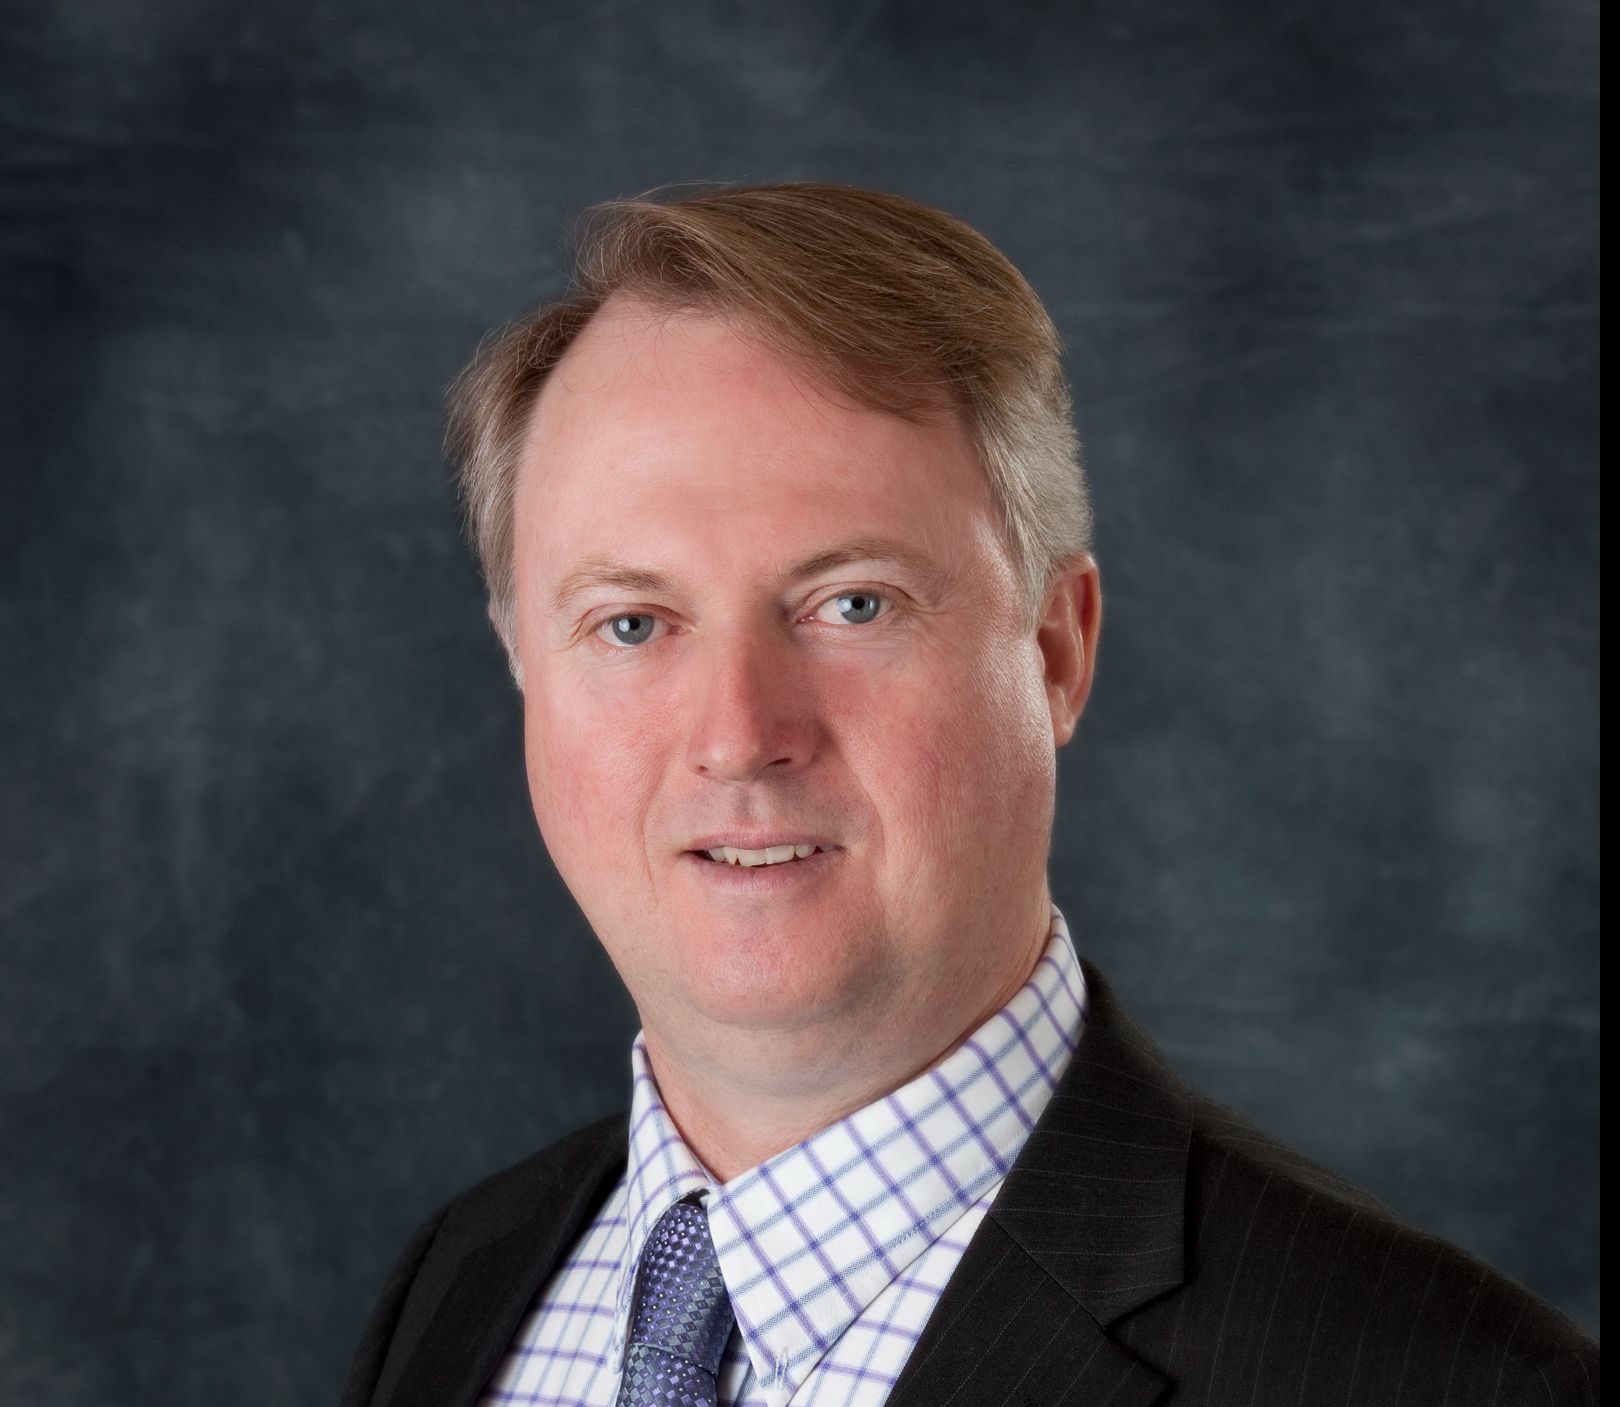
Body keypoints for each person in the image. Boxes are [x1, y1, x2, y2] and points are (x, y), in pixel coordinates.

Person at [340, 183, 1597, 1407]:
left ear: (1055, 650)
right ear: (522, 667)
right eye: (629, 623)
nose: (737, 738)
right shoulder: (465, 1287)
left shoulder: (1436, 1378)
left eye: (853, 605)